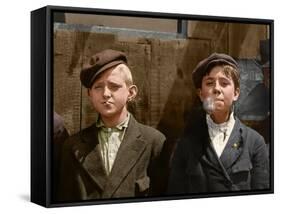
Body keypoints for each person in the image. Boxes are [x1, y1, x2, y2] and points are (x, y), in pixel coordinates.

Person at [57, 49, 166, 201]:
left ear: (131, 92)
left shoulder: (154, 142)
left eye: (114, 86)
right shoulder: (73, 146)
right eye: (98, 87)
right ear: (89, 94)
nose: (106, 94)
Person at [167, 53, 269, 195]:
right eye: (209, 83)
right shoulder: (186, 144)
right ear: (201, 94)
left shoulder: (254, 142)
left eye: (224, 83)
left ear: (236, 93)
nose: (217, 89)